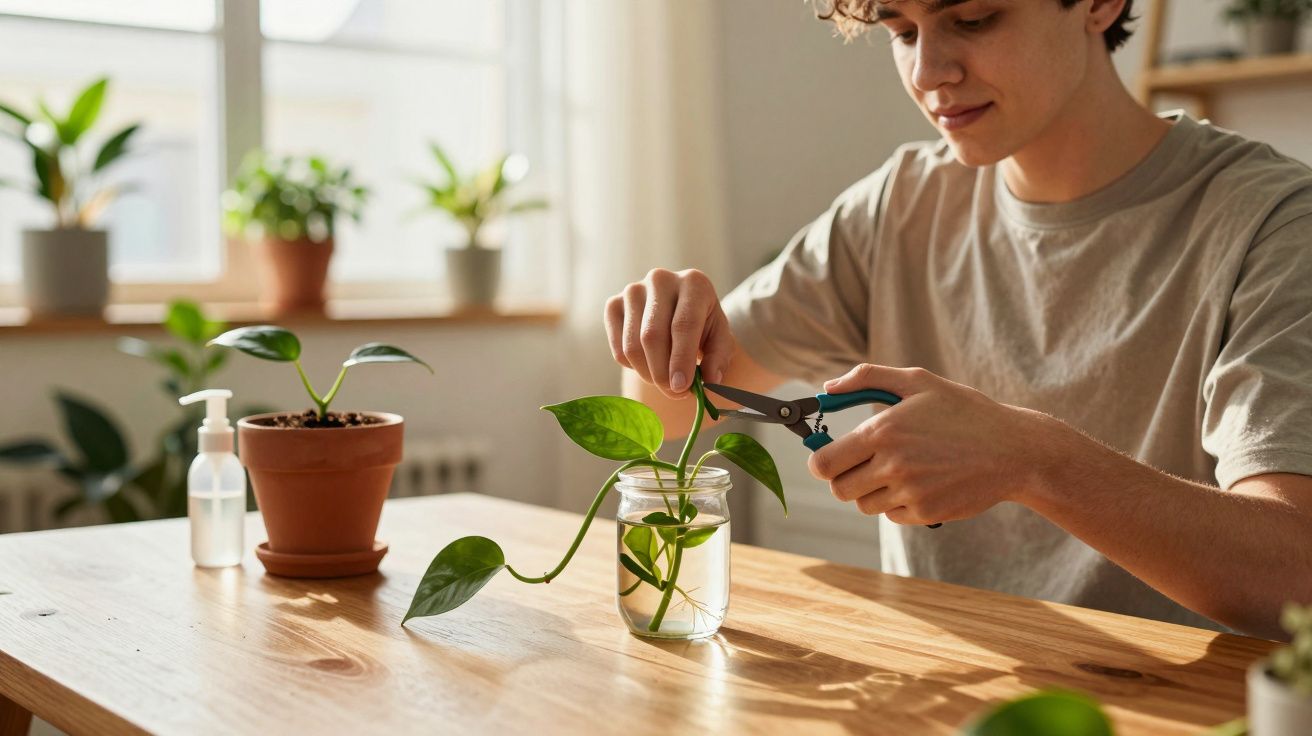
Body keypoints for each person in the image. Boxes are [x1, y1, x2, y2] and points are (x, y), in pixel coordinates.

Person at [603, 0, 1312, 640]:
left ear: (1100, 4)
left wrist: (1033, 460)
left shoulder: (1274, 225)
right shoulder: (899, 207)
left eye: (973, 19)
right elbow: (663, 408)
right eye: (902, 31)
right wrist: (667, 330)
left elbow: (1296, 576)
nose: (929, 72)